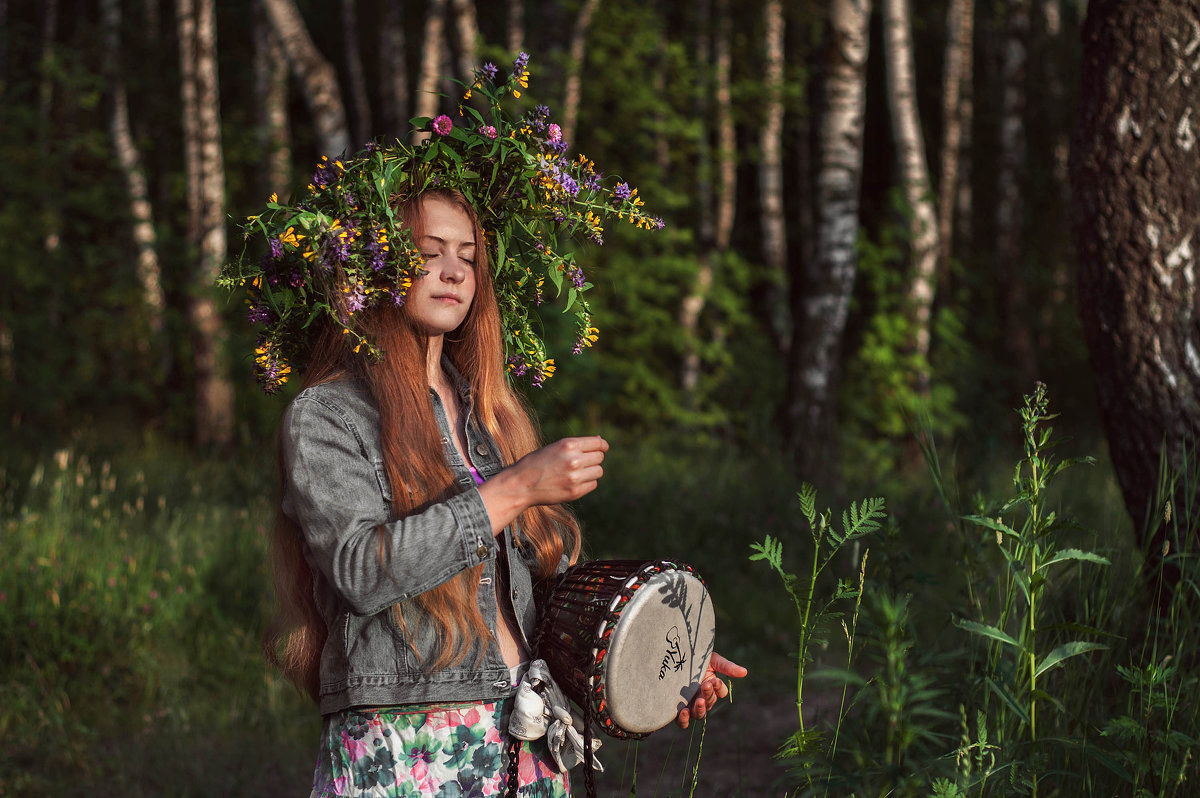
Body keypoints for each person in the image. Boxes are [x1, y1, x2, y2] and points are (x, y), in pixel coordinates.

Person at [224, 56, 747, 798]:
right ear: (376, 267)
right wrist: (513, 488)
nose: (454, 272)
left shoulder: (491, 413)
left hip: (524, 730)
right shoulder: (328, 414)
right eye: (429, 253)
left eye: (468, 257)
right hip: (409, 741)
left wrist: (662, 659)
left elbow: (540, 600)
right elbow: (359, 571)